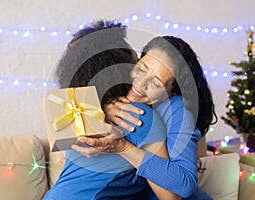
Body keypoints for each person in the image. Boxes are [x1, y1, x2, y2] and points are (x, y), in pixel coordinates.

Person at [73, 35, 217, 199]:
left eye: (156, 83)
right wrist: (106, 106)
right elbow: (54, 102)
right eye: (141, 69)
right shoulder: (121, 93)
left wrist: (123, 147)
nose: (141, 84)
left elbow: (184, 186)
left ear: (171, 92)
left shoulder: (178, 110)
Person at [44, 20, 170, 200]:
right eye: (134, 63)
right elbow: (170, 194)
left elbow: (58, 147)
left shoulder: (76, 111)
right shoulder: (139, 116)